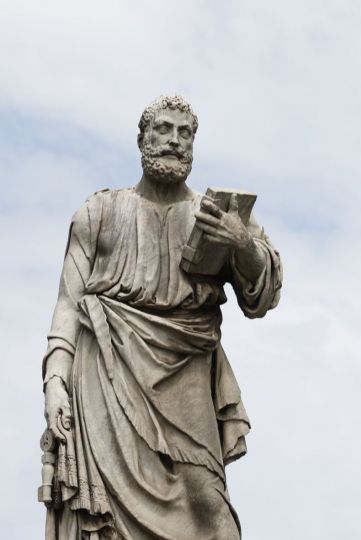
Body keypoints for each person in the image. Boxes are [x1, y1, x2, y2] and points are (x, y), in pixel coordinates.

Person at [40, 95, 282, 540]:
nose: (174, 141)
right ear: (142, 139)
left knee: (212, 512)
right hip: (105, 378)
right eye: (164, 130)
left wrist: (240, 243)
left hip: (185, 378)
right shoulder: (99, 213)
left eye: (184, 133)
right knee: (107, 520)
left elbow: (262, 296)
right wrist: (54, 382)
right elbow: (68, 306)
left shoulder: (215, 217)